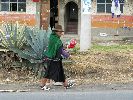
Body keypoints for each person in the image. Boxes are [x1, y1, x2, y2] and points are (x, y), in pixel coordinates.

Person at [40, 25, 73, 90]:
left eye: (61, 32)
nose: (61, 33)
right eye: (59, 32)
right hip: (53, 59)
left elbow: (59, 49)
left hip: (56, 59)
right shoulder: (56, 40)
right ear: (56, 32)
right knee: (48, 73)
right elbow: (60, 50)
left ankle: (66, 85)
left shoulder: (53, 38)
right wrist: (67, 55)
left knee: (61, 72)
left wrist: (65, 53)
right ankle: (42, 85)